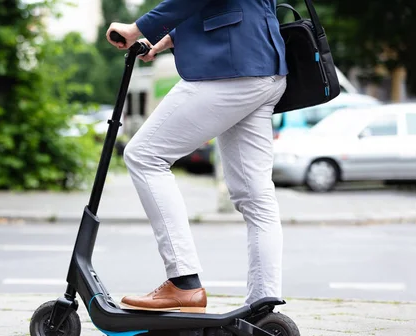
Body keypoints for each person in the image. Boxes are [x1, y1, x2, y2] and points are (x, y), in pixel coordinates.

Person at [106, 0, 287, 314]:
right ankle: (261, 314)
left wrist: (137, 29)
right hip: (263, 65)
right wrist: (166, 38)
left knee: (143, 156)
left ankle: (183, 281)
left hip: (229, 67)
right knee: (256, 198)